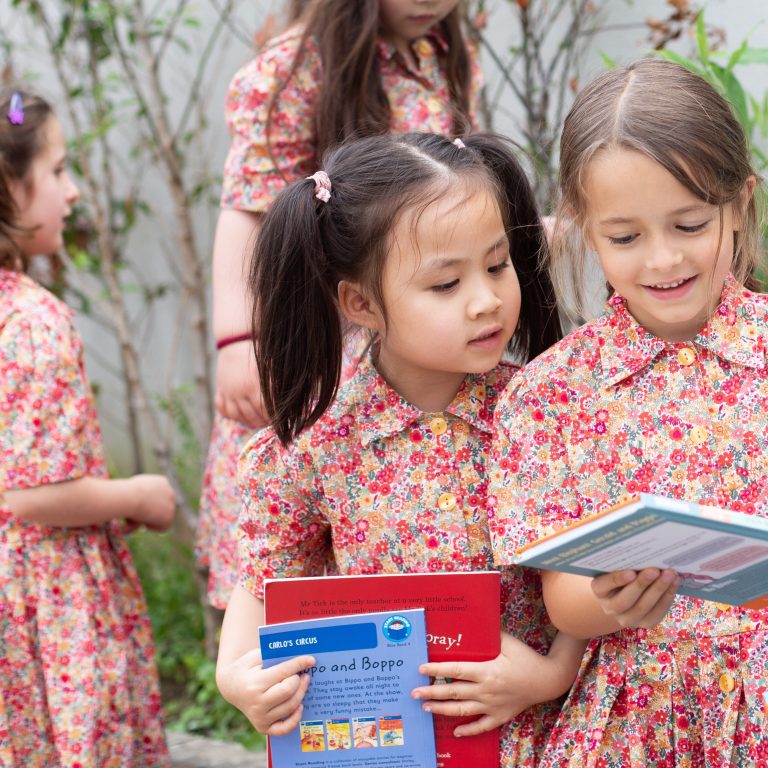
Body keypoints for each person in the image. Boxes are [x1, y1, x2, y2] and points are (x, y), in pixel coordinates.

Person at [216, 131, 587, 767]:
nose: (487, 300)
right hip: (392, 744)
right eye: (446, 284)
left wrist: (550, 675)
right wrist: (239, 681)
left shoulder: (542, 410)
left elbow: (589, 569)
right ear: (362, 303)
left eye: (497, 265)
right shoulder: (319, 442)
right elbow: (261, 587)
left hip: (541, 733)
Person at [489, 57, 766, 765]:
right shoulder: (554, 394)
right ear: (582, 226)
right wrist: (611, 597)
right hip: (637, 717)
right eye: (626, 236)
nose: (663, 258)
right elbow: (561, 601)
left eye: (690, 223)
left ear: (741, 203)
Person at [196, 0, 485, 610]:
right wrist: (236, 340)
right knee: (291, 584)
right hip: (314, 354)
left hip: (407, 341)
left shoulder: (439, 57)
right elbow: (247, 209)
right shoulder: (292, 71)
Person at [0, 88, 175, 766]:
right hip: (42, 595)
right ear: (8, 188)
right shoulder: (32, 322)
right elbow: (29, 495)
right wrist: (138, 496)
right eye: (59, 170)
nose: (72, 192)